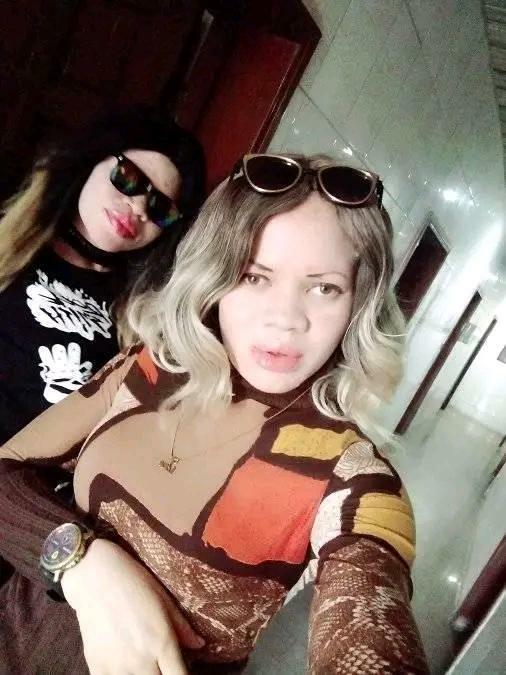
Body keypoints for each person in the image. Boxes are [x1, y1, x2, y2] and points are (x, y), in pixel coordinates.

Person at [0, 153, 429, 674]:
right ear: (216, 276)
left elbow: (370, 616)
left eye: (324, 288)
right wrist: (84, 565)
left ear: (357, 303)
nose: (285, 319)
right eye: (255, 277)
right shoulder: (149, 369)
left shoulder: (352, 477)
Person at [0, 106, 205, 444]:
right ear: (92, 159)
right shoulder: (8, 243)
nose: (139, 208)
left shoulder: (145, 315)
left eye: (160, 208)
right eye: (129, 179)